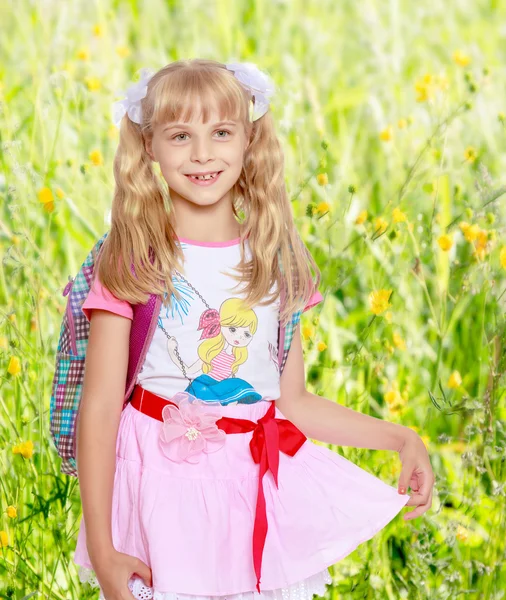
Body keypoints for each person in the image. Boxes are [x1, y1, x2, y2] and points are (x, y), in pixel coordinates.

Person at [73, 59, 434, 600]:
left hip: (253, 499)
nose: (202, 153)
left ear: (249, 139)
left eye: (221, 132)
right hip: (159, 499)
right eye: (180, 135)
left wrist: (401, 438)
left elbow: (294, 403)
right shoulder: (133, 260)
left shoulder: (276, 260)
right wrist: (102, 548)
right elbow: (100, 406)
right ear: (149, 145)